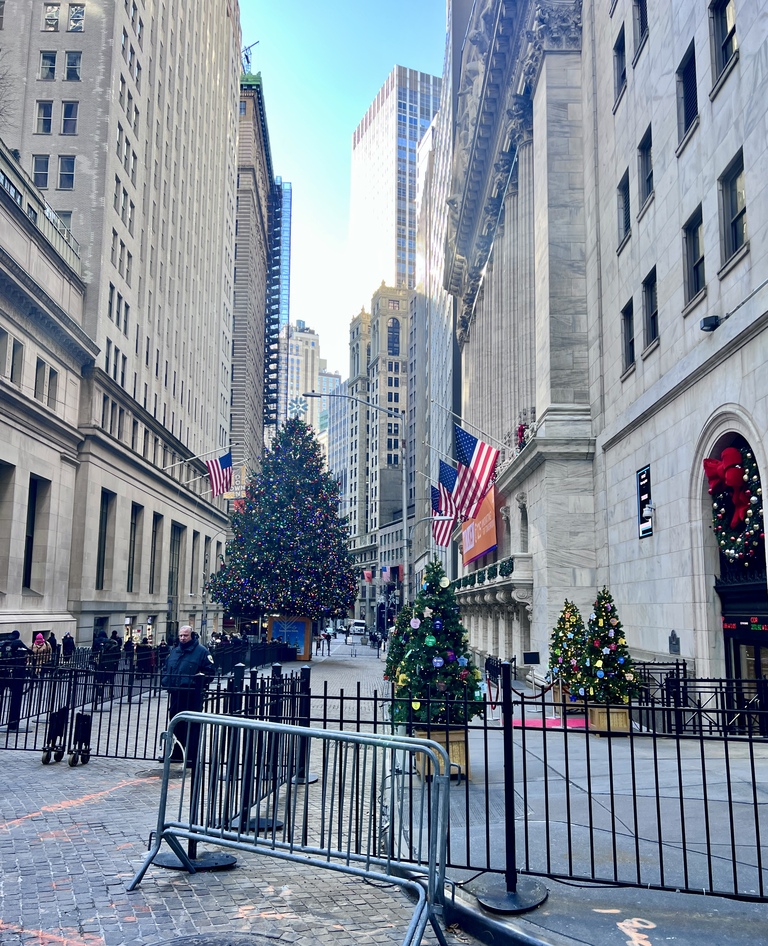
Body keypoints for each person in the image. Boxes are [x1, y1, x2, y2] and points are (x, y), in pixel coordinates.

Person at [160, 625, 215, 765]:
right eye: (181, 636)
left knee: (192, 726)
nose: (183, 638)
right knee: (175, 724)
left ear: (191, 635)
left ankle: (191, 757)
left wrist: (196, 683)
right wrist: (166, 680)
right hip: (176, 693)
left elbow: (210, 672)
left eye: (185, 635)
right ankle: (177, 754)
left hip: (192, 695)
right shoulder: (175, 651)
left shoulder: (202, 652)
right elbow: (166, 668)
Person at [1, 631, 31, 729]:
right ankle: (13, 723)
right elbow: (27, 649)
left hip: (2, 666)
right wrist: (31, 653)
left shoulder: (4, 642)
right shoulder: (17, 642)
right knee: (15, 688)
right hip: (13, 667)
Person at [91, 629, 121, 702]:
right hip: (112, 664)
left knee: (101, 678)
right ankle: (110, 693)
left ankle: (100, 689)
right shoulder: (114, 645)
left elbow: (95, 650)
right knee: (111, 679)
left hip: (103, 663)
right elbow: (118, 656)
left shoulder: (101, 644)